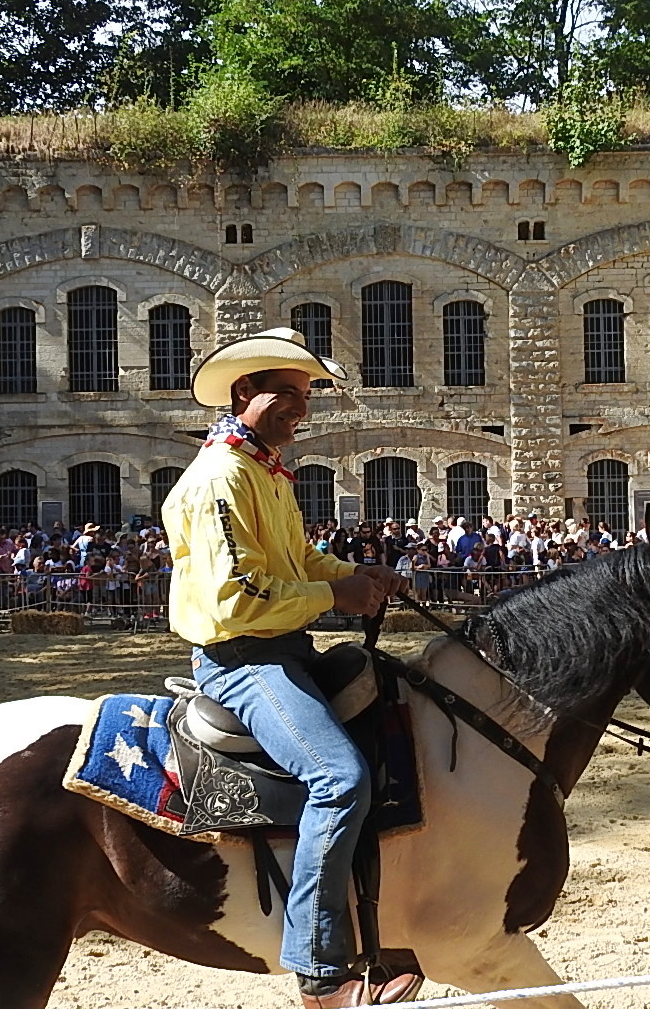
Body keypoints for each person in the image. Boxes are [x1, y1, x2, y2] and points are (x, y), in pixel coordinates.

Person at [164, 327, 418, 1009]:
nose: (299, 408)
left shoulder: (264, 471)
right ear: (243, 392)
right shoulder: (221, 477)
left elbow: (298, 562)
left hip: (286, 648)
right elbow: (237, 598)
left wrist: (358, 573)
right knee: (338, 778)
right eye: (286, 393)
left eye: (304, 396)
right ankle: (318, 971)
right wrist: (337, 596)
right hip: (243, 659)